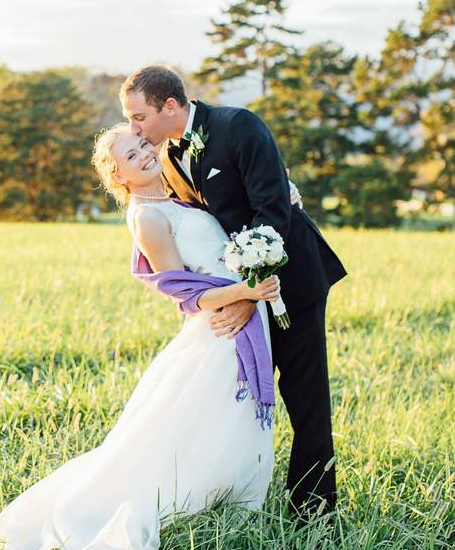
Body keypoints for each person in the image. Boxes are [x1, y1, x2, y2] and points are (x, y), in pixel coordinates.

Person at [0, 124, 296, 549]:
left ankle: (232, 505)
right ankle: (189, 504)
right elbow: (184, 293)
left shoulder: (174, 196)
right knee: (196, 428)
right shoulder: (147, 216)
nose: (146, 154)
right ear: (119, 177)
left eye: (144, 145)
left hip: (242, 313)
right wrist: (243, 292)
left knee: (228, 423)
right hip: (218, 330)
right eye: (132, 155)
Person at [121, 64, 347, 519]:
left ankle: (314, 513)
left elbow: (272, 209)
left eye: (139, 117)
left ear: (169, 106)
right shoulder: (168, 158)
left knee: (305, 398)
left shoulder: (238, 125)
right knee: (239, 402)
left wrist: (246, 295)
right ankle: (225, 495)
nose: (134, 128)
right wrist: (227, 295)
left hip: (294, 281)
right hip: (244, 293)